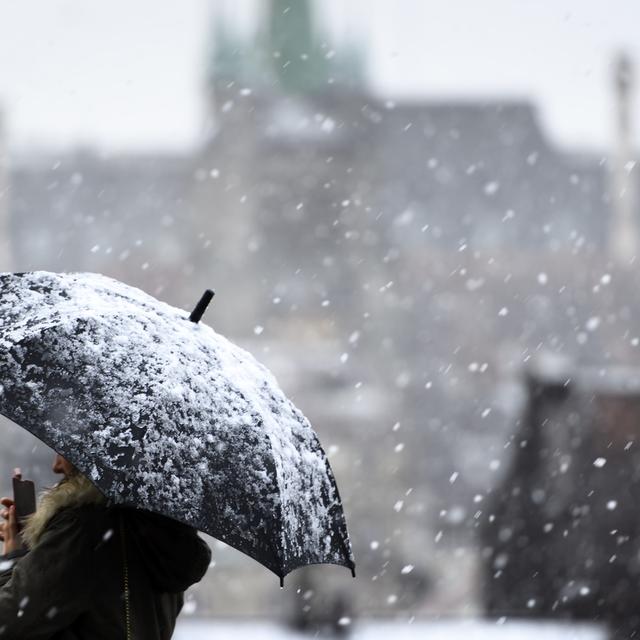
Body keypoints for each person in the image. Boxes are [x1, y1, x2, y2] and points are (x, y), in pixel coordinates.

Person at [0, 453, 211, 639]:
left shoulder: (84, 529)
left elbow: (8, 624)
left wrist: (15, 556)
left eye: (64, 454)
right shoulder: (164, 534)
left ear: (97, 456)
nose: (56, 466)